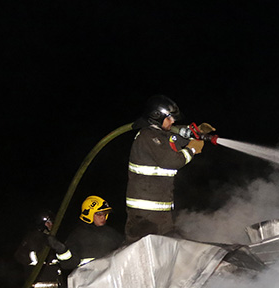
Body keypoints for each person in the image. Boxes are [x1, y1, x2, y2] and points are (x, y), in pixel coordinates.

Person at [124, 95, 205, 242]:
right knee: (144, 255)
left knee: (166, 253)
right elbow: (171, 161)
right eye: (170, 118)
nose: (173, 121)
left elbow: (173, 140)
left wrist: (195, 135)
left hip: (159, 213)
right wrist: (191, 150)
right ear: (157, 116)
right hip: (145, 215)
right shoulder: (148, 137)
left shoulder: (160, 136)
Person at [13, 209, 67, 288]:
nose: (52, 225)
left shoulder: (52, 240)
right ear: (43, 224)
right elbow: (20, 256)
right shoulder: (33, 238)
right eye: (49, 222)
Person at [53, 196, 125, 269]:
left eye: (105, 213)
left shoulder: (111, 233)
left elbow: (125, 249)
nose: (103, 217)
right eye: (99, 214)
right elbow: (68, 264)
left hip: (110, 278)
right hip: (88, 279)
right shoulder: (78, 235)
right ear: (89, 214)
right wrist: (62, 250)